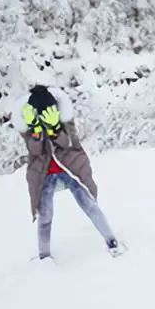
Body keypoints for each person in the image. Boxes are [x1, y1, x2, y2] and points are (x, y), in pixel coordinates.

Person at [19, 85, 125, 259]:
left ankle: (111, 240)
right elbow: (34, 151)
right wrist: (37, 132)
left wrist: (54, 129)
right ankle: (44, 255)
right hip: (44, 173)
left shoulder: (65, 120)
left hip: (70, 168)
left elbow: (69, 143)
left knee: (89, 204)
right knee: (45, 214)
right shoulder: (30, 128)